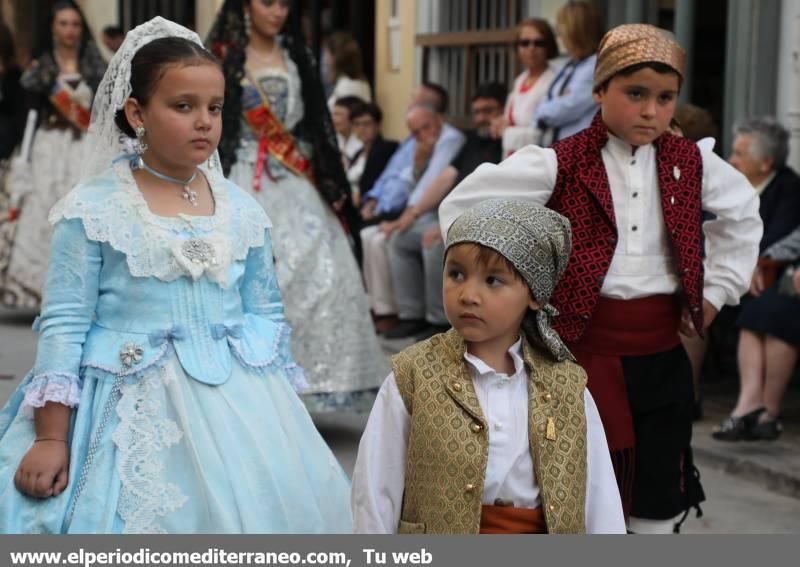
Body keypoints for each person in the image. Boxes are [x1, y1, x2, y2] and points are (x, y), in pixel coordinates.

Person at [0, 18, 352, 533]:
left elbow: (266, 314)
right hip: (129, 402)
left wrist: (282, 423)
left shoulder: (243, 209)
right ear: (137, 112)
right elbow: (65, 324)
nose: (204, 122)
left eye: (214, 108)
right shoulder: (93, 210)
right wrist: (52, 438)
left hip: (239, 401)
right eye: (182, 106)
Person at [440, 24, 762, 533]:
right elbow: (464, 206)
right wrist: (513, 283)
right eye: (635, 95)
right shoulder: (558, 164)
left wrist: (718, 292)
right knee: (574, 480)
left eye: (665, 98)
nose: (652, 111)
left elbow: (743, 212)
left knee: (659, 485)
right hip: (578, 355)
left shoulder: (692, 162)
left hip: (661, 351)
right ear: (599, 91)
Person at [352, 199, 625, 534]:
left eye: (493, 280)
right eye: (456, 274)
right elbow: (375, 493)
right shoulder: (412, 377)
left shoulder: (568, 387)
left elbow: (601, 503)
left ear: (534, 294)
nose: (468, 294)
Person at [207, 0, 387, 414]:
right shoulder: (223, 59)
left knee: (324, 273)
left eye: (284, 3)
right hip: (241, 176)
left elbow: (315, 124)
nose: (278, 11)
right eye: (267, 2)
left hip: (295, 180)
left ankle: (314, 382)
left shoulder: (297, 57)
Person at [0, 0, 106, 310]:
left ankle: (86, 290)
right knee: (47, 213)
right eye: (63, 24)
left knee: (84, 215)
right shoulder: (41, 70)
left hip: (85, 147)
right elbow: (29, 117)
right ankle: (47, 290)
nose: (70, 31)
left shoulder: (96, 67)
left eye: (75, 24)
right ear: (52, 28)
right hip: (49, 147)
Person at [384, 83, 507, 340]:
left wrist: (448, 225)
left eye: (489, 110)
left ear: (505, 110)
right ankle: (411, 315)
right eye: (477, 112)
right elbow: (445, 178)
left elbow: (497, 194)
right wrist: (414, 214)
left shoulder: (509, 145)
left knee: (433, 245)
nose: (481, 118)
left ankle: (438, 320)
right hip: (452, 215)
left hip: (484, 220)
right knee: (401, 239)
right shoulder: (472, 141)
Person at [713, 118, 800, 442]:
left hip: (779, 279)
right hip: (748, 277)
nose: (731, 160)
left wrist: (755, 263)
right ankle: (754, 407)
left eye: (739, 153)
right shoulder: (729, 183)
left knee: (769, 311)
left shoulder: (788, 188)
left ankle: (762, 409)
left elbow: (775, 239)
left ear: (766, 162)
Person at [360, 103, 465, 333]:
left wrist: (407, 216)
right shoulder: (423, 145)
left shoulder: (450, 138)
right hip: (421, 210)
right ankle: (399, 311)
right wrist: (419, 162)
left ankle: (432, 318)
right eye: (416, 132)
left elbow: (434, 183)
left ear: (438, 118)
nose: (423, 135)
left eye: (426, 127)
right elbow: (415, 183)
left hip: (441, 212)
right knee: (382, 237)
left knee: (408, 239)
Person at [533, 1, 602, 145]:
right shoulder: (571, 65)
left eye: (561, 27)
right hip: (562, 147)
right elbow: (553, 100)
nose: (558, 34)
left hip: (581, 149)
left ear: (575, 30)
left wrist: (541, 110)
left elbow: (568, 107)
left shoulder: (594, 66)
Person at [492, 18, 557, 156]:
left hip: (535, 163)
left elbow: (544, 135)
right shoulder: (520, 80)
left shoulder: (554, 82)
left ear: (549, 46)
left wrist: (506, 132)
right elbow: (511, 120)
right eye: (524, 43)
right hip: (511, 159)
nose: (531, 48)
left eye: (538, 43)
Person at [347, 102, 398, 209]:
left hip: (370, 207)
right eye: (357, 124)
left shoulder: (386, 148)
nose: (361, 128)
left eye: (366, 124)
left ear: (378, 125)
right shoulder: (357, 154)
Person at [324, 31, 371, 111]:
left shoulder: (348, 86)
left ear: (336, 57)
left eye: (327, 53)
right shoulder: (354, 82)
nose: (325, 59)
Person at [332, 94, 366, 168]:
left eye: (338, 115)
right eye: (333, 114)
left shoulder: (363, 145)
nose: (333, 119)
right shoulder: (338, 140)